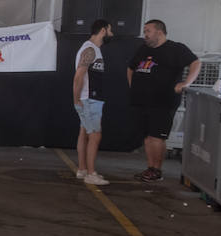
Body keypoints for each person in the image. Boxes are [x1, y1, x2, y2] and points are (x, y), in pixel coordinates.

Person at [126, 19, 200, 182]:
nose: (145, 35)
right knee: (147, 136)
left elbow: (195, 62)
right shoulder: (143, 49)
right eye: (145, 31)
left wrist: (186, 83)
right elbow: (131, 68)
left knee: (157, 136)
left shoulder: (176, 49)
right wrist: (134, 86)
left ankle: (157, 170)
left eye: (148, 31)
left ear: (159, 32)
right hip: (141, 100)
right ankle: (150, 168)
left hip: (163, 101)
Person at [73, 19, 113, 186]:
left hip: (90, 99)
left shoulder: (94, 49)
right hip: (89, 99)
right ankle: (91, 174)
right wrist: (76, 99)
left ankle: (83, 170)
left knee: (84, 132)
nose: (112, 34)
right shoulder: (89, 49)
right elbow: (79, 76)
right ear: (103, 30)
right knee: (95, 135)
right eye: (110, 30)